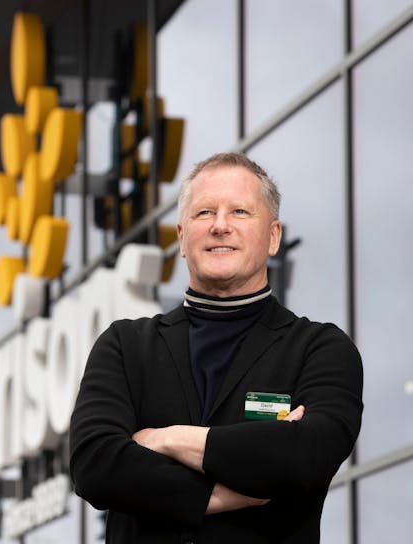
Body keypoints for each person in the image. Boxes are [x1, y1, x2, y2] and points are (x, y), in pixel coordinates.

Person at [69, 152, 363, 543]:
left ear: (273, 236)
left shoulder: (320, 349)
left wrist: (164, 439)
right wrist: (215, 495)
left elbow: (306, 454)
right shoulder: (125, 346)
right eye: (204, 213)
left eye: (240, 212)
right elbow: (95, 464)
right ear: (182, 238)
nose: (220, 226)